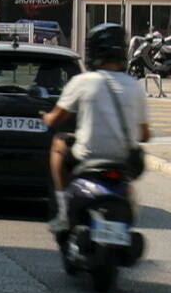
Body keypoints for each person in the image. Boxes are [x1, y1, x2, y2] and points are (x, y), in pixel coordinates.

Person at [49, 20, 151, 227]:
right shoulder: (135, 87)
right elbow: (145, 135)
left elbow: (56, 119)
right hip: (124, 163)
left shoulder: (83, 82)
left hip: (88, 158)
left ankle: (62, 211)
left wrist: (45, 117)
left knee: (59, 143)